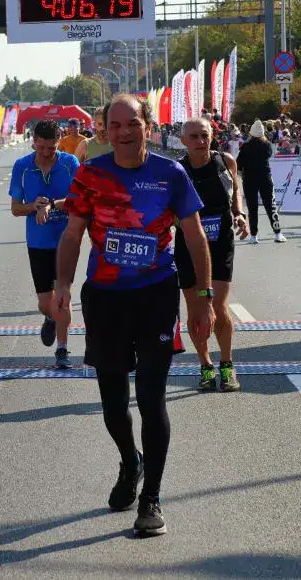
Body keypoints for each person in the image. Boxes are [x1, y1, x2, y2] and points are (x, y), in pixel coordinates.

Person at [53, 94, 214, 537]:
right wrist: (62, 285)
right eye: (116, 125)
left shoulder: (170, 173)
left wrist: (202, 297)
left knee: (150, 397)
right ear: (104, 130)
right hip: (105, 297)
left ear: (148, 126)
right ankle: (130, 461)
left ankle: (152, 498)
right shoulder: (90, 174)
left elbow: (195, 236)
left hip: (155, 295)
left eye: (133, 124)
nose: (124, 132)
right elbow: (72, 233)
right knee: (112, 405)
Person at [175, 118, 247, 392]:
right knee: (195, 309)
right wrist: (178, 223)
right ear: (183, 140)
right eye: (193, 137)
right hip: (188, 244)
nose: (200, 141)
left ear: (212, 136)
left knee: (217, 305)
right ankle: (205, 365)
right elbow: (168, 209)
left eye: (204, 135)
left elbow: (235, 190)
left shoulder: (225, 161)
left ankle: (227, 365)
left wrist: (238, 214)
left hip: (220, 241)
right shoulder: (177, 170)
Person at [9, 120, 80, 368]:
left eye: (52, 148)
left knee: (63, 296)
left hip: (66, 240)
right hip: (38, 243)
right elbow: (15, 209)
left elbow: (79, 200)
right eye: (42, 148)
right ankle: (51, 318)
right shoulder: (22, 166)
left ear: (59, 143)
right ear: (34, 143)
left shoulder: (70, 163)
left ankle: (62, 350)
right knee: (45, 303)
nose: (48, 153)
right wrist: (34, 206)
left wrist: (52, 203)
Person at [236, 120, 285, 244]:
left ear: (251, 133)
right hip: (264, 177)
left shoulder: (245, 146)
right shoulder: (266, 145)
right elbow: (269, 155)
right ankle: (277, 233)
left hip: (249, 179)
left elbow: (238, 164)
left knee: (252, 208)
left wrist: (242, 173)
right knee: (270, 206)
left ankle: (254, 236)